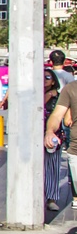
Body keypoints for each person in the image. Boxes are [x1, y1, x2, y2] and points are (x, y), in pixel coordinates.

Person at [44, 68, 72, 212]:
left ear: (54, 80)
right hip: (36, 135)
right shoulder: (36, 96)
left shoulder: (58, 96)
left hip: (55, 136)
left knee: (53, 167)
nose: (44, 80)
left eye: (47, 77)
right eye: (42, 77)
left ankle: (52, 198)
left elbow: (64, 117)